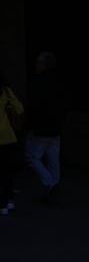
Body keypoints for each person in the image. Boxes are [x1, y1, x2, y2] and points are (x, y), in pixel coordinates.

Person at [25, 51, 65, 205]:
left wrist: (29, 125)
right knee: (53, 158)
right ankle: (54, 183)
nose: (36, 65)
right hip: (56, 127)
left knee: (32, 157)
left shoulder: (38, 82)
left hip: (41, 127)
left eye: (39, 62)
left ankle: (50, 183)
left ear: (44, 65)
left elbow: (34, 106)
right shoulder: (59, 82)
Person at [0, 76, 24, 215]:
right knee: (7, 171)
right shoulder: (6, 91)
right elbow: (19, 109)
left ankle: (2, 203)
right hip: (7, 136)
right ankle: (9, 200)